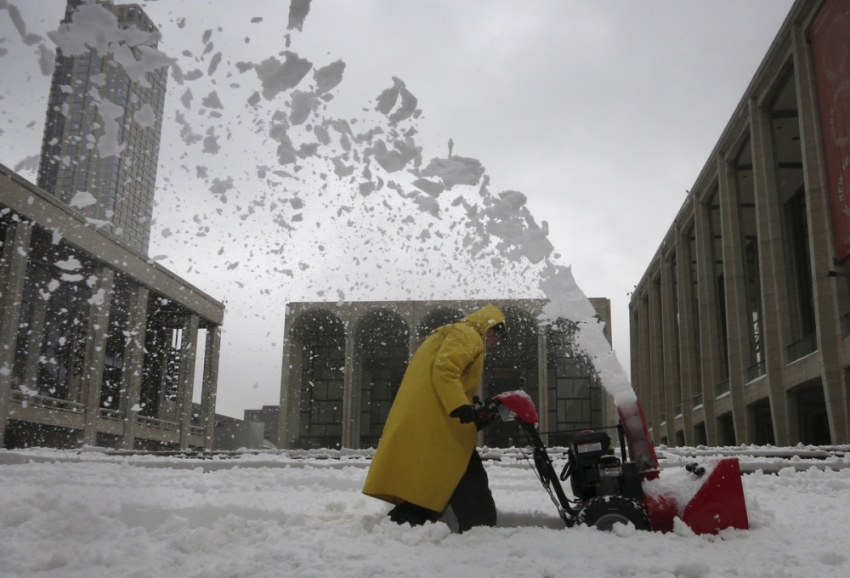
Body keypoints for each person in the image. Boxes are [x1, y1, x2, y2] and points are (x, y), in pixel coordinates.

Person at [362, 304, 506, 533]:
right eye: (497, 335)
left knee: (433, 484)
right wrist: (461, 407)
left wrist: (470, 405)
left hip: (431, 422)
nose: (496, 342)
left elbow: (447, 375)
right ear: (489, 328)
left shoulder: (450, 332)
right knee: (465, 481)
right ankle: (480, 533)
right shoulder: (468, 334)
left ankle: (400, 529)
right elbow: (445, 370)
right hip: (443, 426)